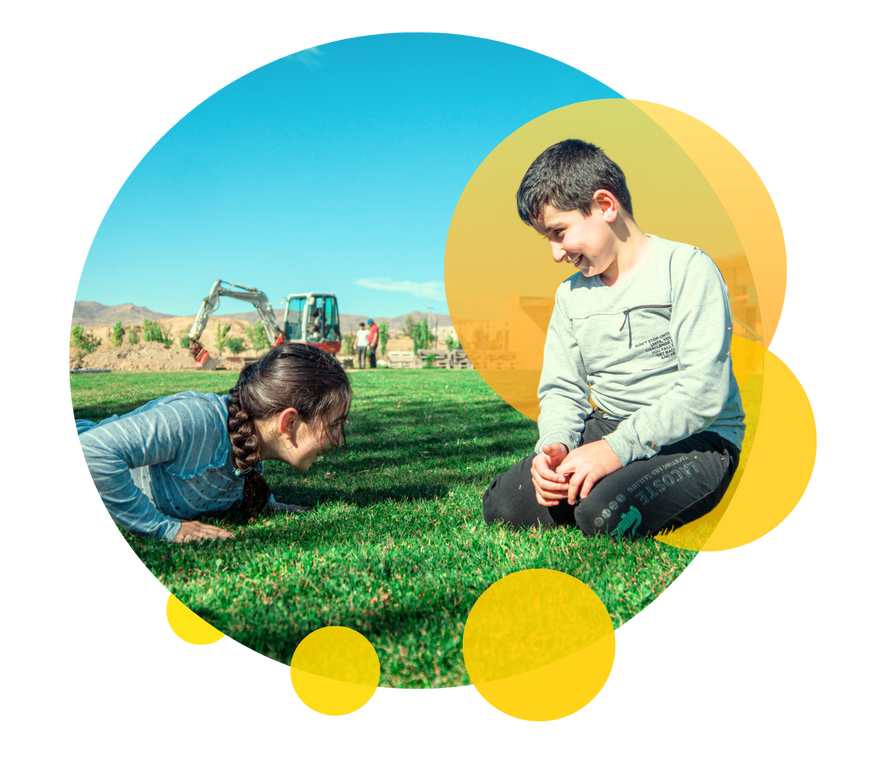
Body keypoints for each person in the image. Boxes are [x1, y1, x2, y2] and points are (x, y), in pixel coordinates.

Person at [482, 139, 746, 537]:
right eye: (547, 239)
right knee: (502, 505)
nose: (556, 253)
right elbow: (562, 388)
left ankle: (613, 484)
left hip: (697, 439)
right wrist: (554, 447)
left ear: (605, 206)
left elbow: (702, 391)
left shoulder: (688, 269)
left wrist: (616, 451)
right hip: (608, 425)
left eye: (559, 232)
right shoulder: (569, 296)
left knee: (601, 514)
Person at [75, 343, 352, 544]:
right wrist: (163, 528)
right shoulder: (196, 420)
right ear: (288, 422)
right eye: (333, 425)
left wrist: (267, 504)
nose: (337, 439)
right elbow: (91, 454)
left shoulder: (250, 445)